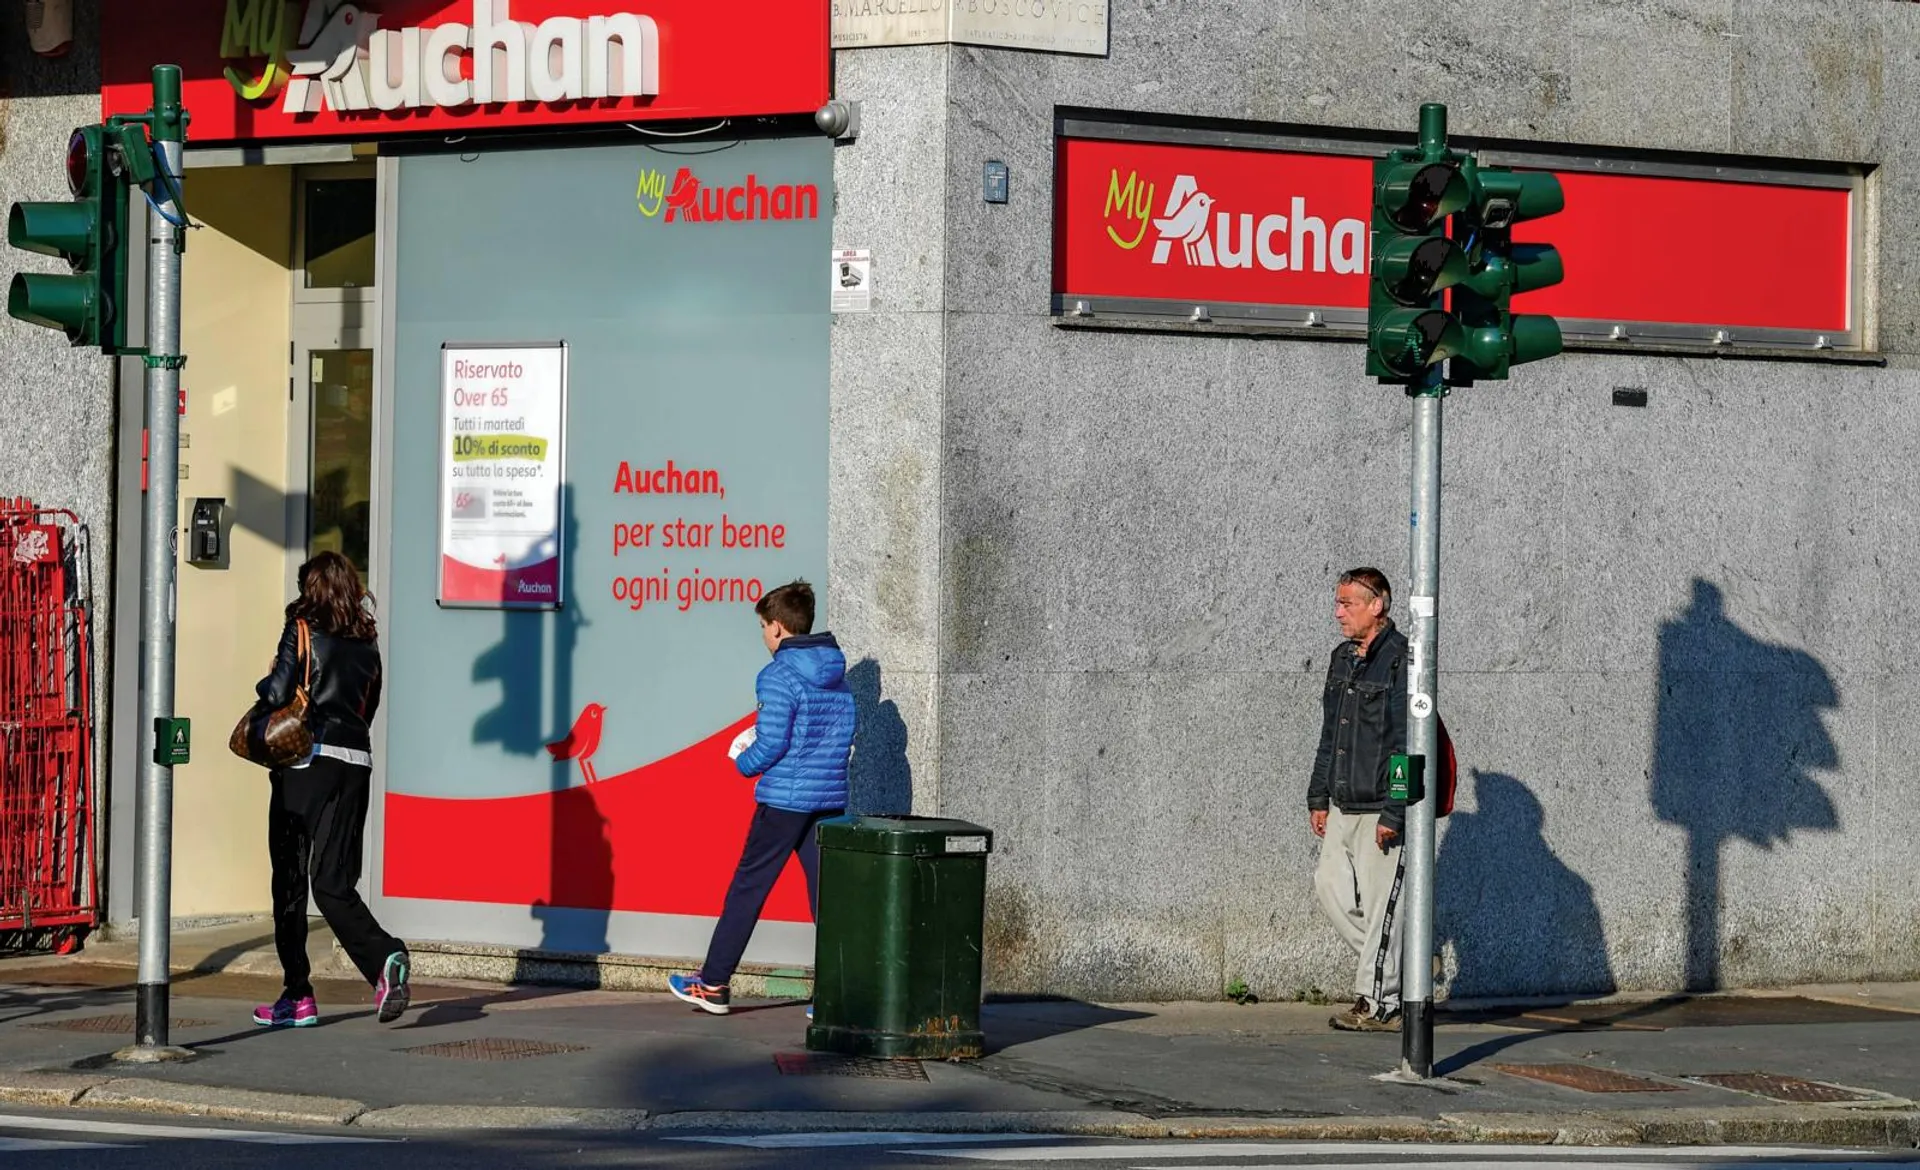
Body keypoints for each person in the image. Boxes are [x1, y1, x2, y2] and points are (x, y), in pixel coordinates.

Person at [668, 581, 855, 1016]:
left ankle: (713, 983)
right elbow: (844, 734)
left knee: (748, 889)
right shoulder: (838, 676)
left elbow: (770, 744)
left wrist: (743, 760)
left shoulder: (777, 675)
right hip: (827, 799)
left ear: (777, 627)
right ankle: (840, 995)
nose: (762, 634)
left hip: (784, 800)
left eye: (762, 625)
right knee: (831, 898)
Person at [251, 551, 411, 1027]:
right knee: (333, 882)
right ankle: (385, 957)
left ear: (312, 588)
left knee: (291, 882)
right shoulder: (368, 640)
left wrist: (264, 681)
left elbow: (277, 693)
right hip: (355, 763)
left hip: (306, 762)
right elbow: (370, 704)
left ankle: (297, 994)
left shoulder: (301, 627)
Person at [1309, 567, 1409, 1033]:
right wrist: (1318, 795)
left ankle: (1379, 1002)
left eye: (1347, 604)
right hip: (1344, 800)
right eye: (1337, 603)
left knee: (1379, 905)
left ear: (1377, 604)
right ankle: (1395, 970)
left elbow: (1409, 741)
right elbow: (1331, 733)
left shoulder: (1401, 660)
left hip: (1379, 809)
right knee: (1329, 889)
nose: (1338, 613)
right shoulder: (1341, 659)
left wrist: (1395, 808)